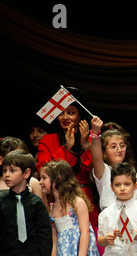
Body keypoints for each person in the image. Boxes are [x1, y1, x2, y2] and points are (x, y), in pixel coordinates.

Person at [36, 87, 100, 231]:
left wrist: (85, 146)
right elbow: (44, 171)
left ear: (79, 116)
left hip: (86, 200)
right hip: (57, 200)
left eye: (71, 112)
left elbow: (95, 173)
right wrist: (67, 149)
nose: (65, 117)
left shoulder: (90, 140)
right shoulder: (47, 140)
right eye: (61, 113)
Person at [40, 160, 104, 256]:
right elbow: (54, 240)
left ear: (58, 179)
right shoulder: (52, 207)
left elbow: (85, 231)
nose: (40, 182)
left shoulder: (77, 202)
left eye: (44, 178)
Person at [90, 115, 137, 211]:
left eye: (122, 146)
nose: (119, 150)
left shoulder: (134, 173)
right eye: (113, 147)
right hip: (112, 222)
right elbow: (97, 158)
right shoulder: (105, 171)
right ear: (104, 153)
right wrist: (95, 134)